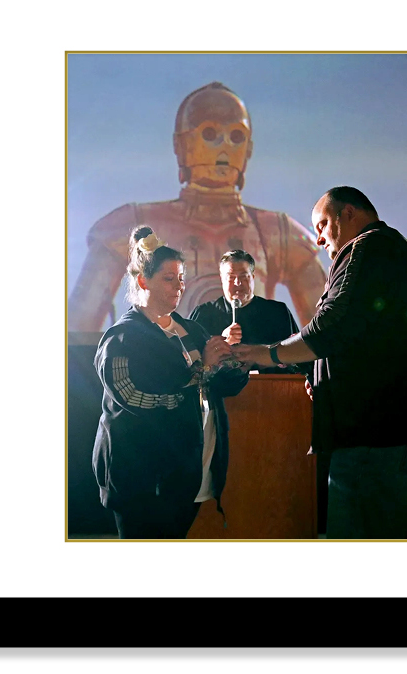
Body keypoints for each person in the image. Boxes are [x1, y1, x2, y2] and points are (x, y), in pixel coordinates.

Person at [233, 187, 407, 539]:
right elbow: (359, 334)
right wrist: (317, 373)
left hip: (380, 445)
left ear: (349, 214)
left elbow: (331, 327)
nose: (317, 239)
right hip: (395, 443)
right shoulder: (386, 250)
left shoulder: (367, 247)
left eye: (323, 224)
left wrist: (262, 353)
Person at [69, 82, 327, 331]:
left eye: (236, 136)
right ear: (181, 144)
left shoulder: (277, 232)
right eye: (210, 133)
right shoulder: (134, 225)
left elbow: (328, 327)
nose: (224, 146)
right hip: (168, 366)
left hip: (253, 369)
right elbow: (78, 331)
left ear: (248, 148)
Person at [92, 226, 248, 539]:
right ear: (142, 280)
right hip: (141, 479)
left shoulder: (191, 329)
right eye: (168, 279)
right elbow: (136, 397)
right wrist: (203, 366)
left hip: (190, 473)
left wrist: (235, 361)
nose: (178, 287)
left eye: (181, 279)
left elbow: (224, 384)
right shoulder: (122, 338)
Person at [189, 249, 312, 378]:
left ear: (253, 277)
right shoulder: (203, 314)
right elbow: (192, 365)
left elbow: (297, 359)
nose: (238, 283)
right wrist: (222, 344)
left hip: (270, 390)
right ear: (222, 280)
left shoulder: (277, 312)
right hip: (221, 393)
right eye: (231, 277)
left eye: (243, 276)